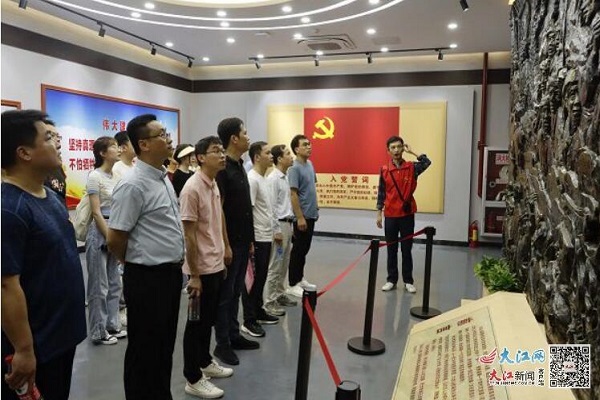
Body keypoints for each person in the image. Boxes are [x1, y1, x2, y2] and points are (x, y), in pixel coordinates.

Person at [1, 110, 86, 400]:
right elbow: (6, 285)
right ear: (24, 153)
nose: (58, 142)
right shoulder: (9, 209)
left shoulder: (49, 197)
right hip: (37, 343)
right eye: (48, 137)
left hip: (61, 335)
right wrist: (23, 350)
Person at [107, 114, 185, 400]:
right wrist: (135, 262)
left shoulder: (162, 178)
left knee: (164, 347)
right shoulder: (133, 184)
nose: (169, 139)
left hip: (169, 275)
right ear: (144, 144)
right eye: (162, 134)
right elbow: (115, 238)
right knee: (144, 350)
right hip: (146, 278)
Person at [180, 136, 233, 399]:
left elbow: (218, 217)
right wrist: (194, 275)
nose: (222, 155)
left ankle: (204, 361)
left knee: (209, 319)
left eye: (222, 150)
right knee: (196, 325)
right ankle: (192, 377)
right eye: (216, 151)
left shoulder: (213, 183)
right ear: (200, 157)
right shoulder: (192, 188)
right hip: (200, 269)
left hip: (215, 263)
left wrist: (226, 247)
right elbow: (189, 235)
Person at [214, 117, 259, 366]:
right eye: (245, 133)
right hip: (229, 244)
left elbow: (244, 207)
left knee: (235, 294)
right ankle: (222, 344)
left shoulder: (240, 165)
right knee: (225, 295)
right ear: (234, 138)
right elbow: (219, 210)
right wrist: (225, 244)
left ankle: (233, 335)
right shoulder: (223, 169)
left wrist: (250, 240)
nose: (248, 137)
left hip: (243, 241)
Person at [376, 136, 431, 293]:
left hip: (407, 214)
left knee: (407, 249)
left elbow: (427, 162)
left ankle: (408, 281)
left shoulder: (412, 168)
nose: (396, 150)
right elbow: (381, 192)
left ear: (403, 148)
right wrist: (379, 213)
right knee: (391, 249)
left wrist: (412, 151)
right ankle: (391, 280)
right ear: (388, 151)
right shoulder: (385, 170)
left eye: (399, 147)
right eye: (393, 148)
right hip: (391, 214)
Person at [85, 136, 126, 345]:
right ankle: (98, 331)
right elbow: (96, 212)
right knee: (99, 285)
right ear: (102, 153)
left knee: (114, 283)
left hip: (114, 228)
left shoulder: (116, 175)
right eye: (113, 147)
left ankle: (112, 324)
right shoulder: (95, 176)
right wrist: (110, 238)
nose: (118, 149)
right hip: (100, 231)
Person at [242, 141, 280, 338]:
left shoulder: (263, 178)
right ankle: (249, 320)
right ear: (257, 157)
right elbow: (248, 211)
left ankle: (258, 311)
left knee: (262, 277)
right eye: (267, 153)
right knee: (254, 280)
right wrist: (250, 240)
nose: (271, 156)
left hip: (266, 235)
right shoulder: (252, 179)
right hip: (257, 237)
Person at [264, 144, 298, 314]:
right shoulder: (273, 179)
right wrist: (276, 230)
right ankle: (269, 302)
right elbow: (271, 207)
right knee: (276, 264)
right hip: (279, 226)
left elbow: (284, 204)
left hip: (287, 224)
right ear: (279, 159)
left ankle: (279, 294)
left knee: (284, 262)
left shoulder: (285, 177)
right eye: (288, 154)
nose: (291, 157)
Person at [286, 135, 319, 298]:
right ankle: (292, 283)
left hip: (311, 214)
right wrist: (299, 217)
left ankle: (300, 278)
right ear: (296, 149)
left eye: (309, 144)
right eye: (305, 145)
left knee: (305, 249)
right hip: (302, 216)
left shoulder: (310, 164)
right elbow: (293, 194)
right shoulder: (294, 168)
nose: (309, 147)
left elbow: (311, 188)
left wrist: (316, 207)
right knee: (298, 250)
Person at [43, 119, 67, 207]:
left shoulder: (58, 167)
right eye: (51, 136)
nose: (57, 140)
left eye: (57, 136)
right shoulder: (35, 172)